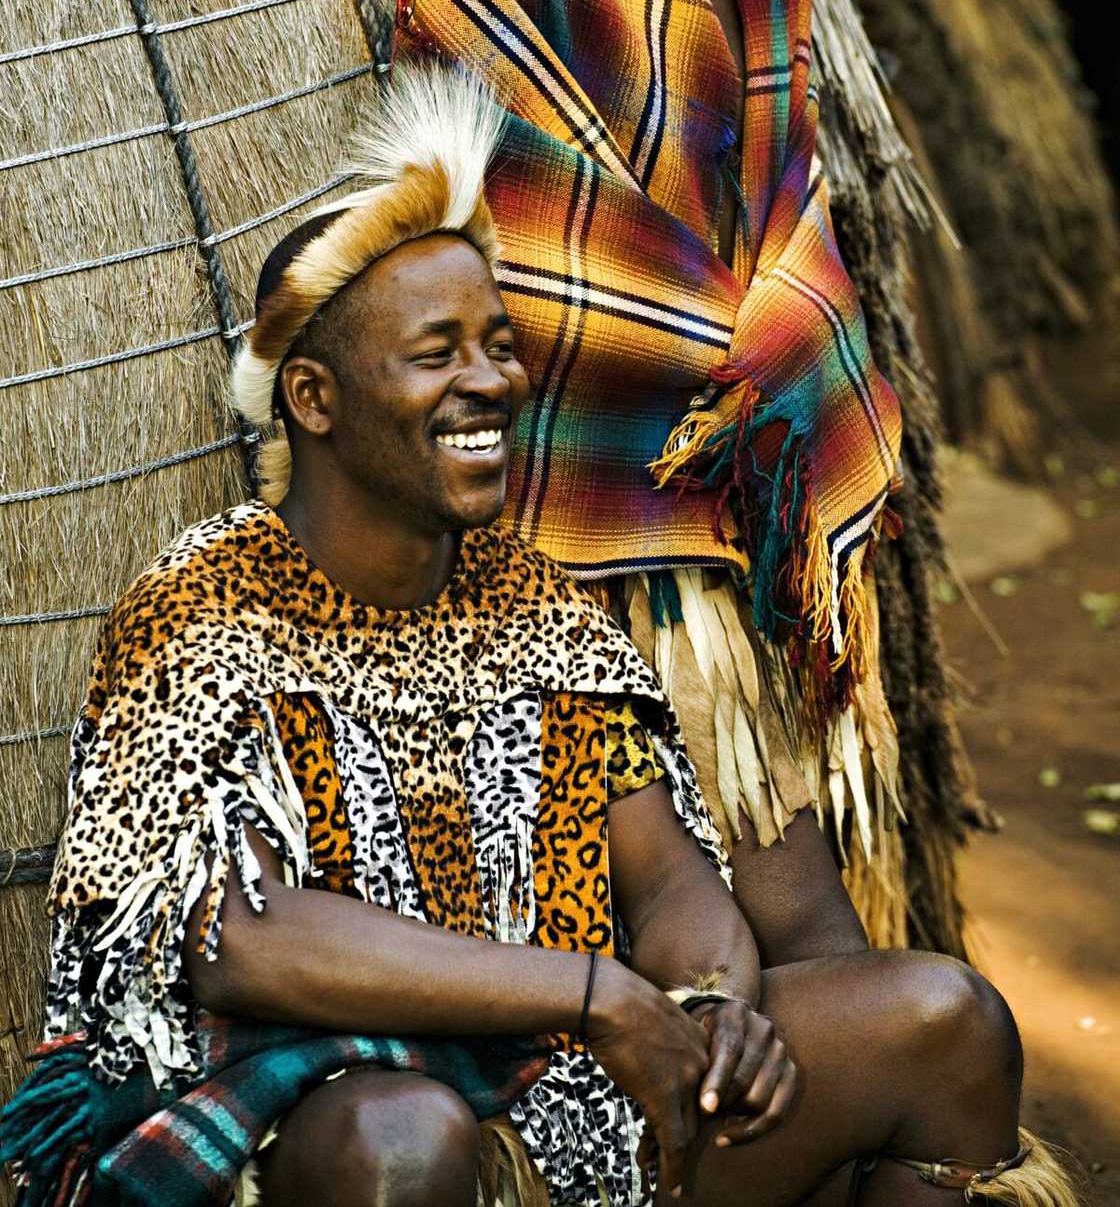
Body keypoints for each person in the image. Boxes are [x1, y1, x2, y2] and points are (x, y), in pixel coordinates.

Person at [1, 62, 1072, 1207]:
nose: (490, 381)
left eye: (498, 343)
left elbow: (666, 883)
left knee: (941, 1021)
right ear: (313, 399)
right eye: (436, 353)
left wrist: (707, 1006)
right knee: (405, 1138)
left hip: (563, 1090)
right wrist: (590, 992)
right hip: (312, 1116)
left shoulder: (536, 607)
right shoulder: (205, 608)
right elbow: (237, 938)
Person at [394, 0, 914, 950]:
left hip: (735, 503)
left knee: (799, 924)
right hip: (585, 529)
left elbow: (790, 198)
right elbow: (537, 254)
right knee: (670, 952)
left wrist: (772, 345)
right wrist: (740, 376)